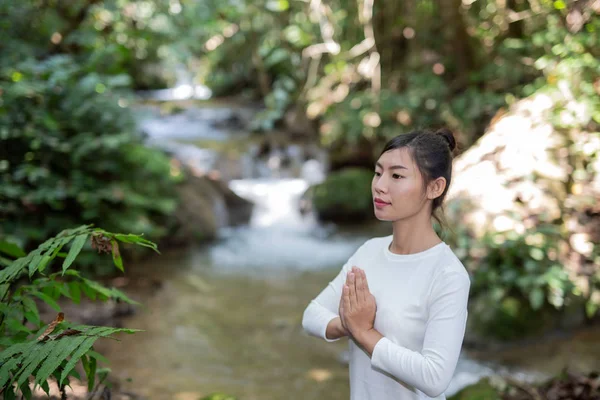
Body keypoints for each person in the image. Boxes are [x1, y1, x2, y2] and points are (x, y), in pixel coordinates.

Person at [302, 128, 471, 400]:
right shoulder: (369, 252)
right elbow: (312, 314)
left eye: (397, 175)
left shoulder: (448, 274)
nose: (380, 185)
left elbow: (435, 377)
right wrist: (346, 324)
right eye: (378, 172)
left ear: (434, 187)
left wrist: (364, 332)